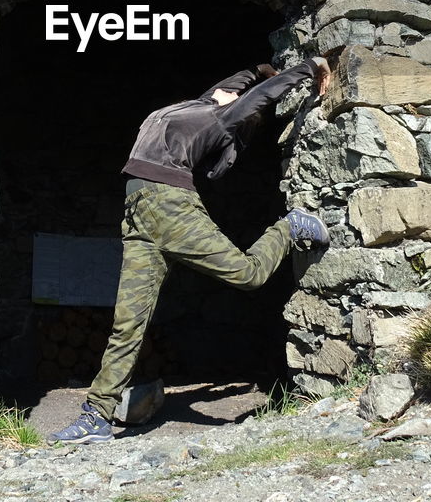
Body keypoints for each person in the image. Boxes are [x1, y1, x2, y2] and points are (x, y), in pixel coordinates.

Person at [48, 57, 333, 445]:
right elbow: (241, 81)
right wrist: (258, 70)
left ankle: (290, 226)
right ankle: (97, 414)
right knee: (127, 322)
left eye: (235, 93)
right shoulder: (195, 107)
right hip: (138, 218)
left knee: (248, 275)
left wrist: (307, 68)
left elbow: (259, 97)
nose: (229, 88)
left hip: (171, 208)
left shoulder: (217, 118)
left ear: (233, 105)